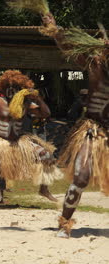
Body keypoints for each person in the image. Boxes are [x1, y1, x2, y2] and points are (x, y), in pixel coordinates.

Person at [39, 8, 109, 238]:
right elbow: (69, 50)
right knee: (81, 176)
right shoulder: (95, 64)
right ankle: (65, 222)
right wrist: (55, 31)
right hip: (93, 130)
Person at [0, 70, 61, 205]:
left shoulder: (25, 104)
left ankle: (44, 189)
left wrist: (38, 98)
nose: (11, 91)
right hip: (0, 143)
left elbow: (45, 113)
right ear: (4, 88)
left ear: (20, 90)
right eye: (8, 87)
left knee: (46, 155)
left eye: (14, 88)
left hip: (19, 142)